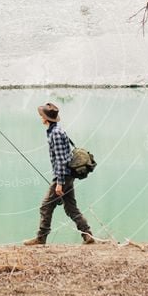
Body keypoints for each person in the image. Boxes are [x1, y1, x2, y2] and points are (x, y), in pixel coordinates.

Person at [23, 102, 94, 245]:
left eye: (41, 115)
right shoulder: (56, 130)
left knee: (46, 206)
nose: (40, 117)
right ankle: (87, 234)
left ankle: (41, 238)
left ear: (46, 118)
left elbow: (61, 160)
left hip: (63, 176)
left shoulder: (55, 133)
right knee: (71, 207)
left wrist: (59, 184)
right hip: (68, 175)